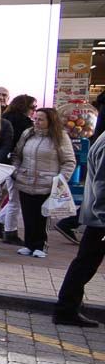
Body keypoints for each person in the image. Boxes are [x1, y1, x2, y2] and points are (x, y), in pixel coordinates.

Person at [53, 129, 105, 327]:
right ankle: (65, 309)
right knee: (85, 264)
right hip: (100, 219)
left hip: (98, 217)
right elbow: (102, 184)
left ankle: (66, 309)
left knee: (85, 263)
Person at [10, 108, 75, 258]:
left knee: (42, 216)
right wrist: (16, 172)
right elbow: (17, 155)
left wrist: (59, 180)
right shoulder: (27, 134)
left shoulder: (60, 137)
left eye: (40, 119)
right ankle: (28, 244)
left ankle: (40, 245)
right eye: (35, 119)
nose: (36, 122)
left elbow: (69, 162)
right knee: (27, 214)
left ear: (50, 121)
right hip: (25, 180)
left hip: (47, 183)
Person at [54, 89, 105, 244]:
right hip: (100, 216)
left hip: (98, 214)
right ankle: (69, 222)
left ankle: (69, 222)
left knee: (87, 258)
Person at [0, 94, 37, 244]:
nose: (34, 111)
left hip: (5, 162)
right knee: (15, 199)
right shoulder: (24, 124)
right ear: (25, 107)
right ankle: (10, 232)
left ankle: (1, 221)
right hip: (16, 164)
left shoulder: (5, 118)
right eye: (33, 107)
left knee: (14, 197)